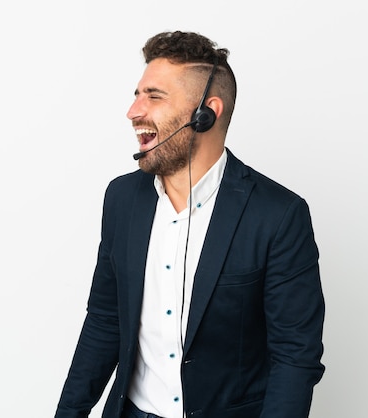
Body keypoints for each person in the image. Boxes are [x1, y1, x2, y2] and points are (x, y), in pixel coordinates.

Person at [55, 30, 325, 418]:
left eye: (154, 96)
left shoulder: (278, 215)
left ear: (206, 113)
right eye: (137, 94)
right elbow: (105, 320)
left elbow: (294, 358)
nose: (134, 111)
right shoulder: (122, 199)